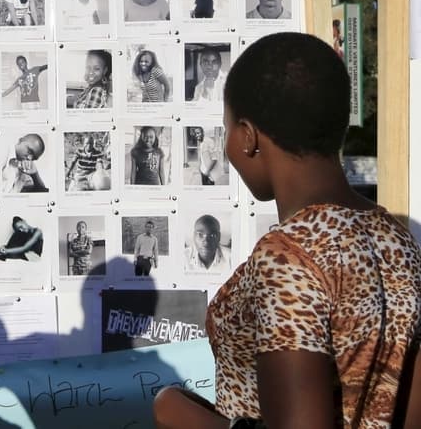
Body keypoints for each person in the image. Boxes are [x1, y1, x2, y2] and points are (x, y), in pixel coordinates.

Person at [154, 32, 421, 428]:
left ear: (248, 137)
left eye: (226, 129)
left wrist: (176, 412)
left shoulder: (288, 258)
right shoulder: (398, 241)